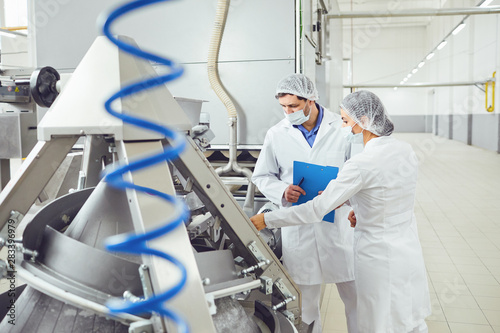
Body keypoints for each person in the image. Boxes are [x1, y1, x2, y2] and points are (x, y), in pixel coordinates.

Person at [251, 90, 431, 333]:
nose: (343, 126)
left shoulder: (361, 163)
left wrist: (266, 219)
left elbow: (315, 210)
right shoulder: (404, 150)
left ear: (364, 121)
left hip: (376, 254)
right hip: (406, 249)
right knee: (407, 317)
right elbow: (387, 191)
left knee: (375, 321)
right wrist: (357, 204)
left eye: (346, 121)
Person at [252, 74, 358, 333]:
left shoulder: (342, 128)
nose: (288, 113)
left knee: (355, 298)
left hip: (338, 224)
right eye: (284, 107)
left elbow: (358, 172)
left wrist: (340, 193)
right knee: (305, 305)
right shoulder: (277, 133)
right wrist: (282, 191)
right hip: (298, 229)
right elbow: (262, 176)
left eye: (294, 106)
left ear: (310, 100)